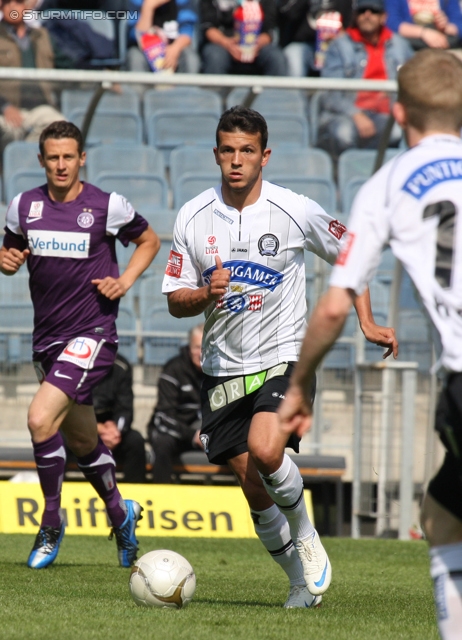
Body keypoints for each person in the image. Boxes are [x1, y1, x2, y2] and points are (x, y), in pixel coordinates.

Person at [162, 105, 398, 608]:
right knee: (254, 488)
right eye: (227, 150)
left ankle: (306, 531)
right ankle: (299, 583)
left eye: (247, 151)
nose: (236, 160)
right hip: (223, 368)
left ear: (264, 156)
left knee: (268, 451)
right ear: (216, 154)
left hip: (283, 355)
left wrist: (366, 320)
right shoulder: (192, 216)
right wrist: (205, 293)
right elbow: (174, 301)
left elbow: (350, 252)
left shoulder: (294, 209)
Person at [277, 49, 462, 638]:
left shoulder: (387, 184)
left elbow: (335, 303)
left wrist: (301, 384)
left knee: (443, 519)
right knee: (442, 514)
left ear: (398, 111)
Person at [0, 120, 160, 569]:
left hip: (93, 333)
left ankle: (51, 522)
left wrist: (124, 280)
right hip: (47, 341)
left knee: (38, 419)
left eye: (69, 156)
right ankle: (120, 513)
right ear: (41, 161)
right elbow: (9, 253)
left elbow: (148, 240)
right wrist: (6, 260)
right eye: (53, 157)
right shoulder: (24, 207)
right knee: (85, 441)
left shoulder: (106, 206)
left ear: (82, 158)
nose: (61, 164)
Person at [318, 0, 413, 159]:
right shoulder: (340, 46)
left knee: (398, 132)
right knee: (344, 134)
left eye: (373, 11)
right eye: (362, 11)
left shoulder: (400, 45)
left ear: (383, 17)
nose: (367, 15)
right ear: (355, 16)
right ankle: (350, 177)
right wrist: (356, 114)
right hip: (347, 114)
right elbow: (330, 92)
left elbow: (412, 84)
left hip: (388, 115)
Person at [0, 0, 64, 149]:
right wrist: (4, 107)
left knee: (59, 126)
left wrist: (104, 72)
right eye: (8, 2)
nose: (13, 7)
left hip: (39, 109)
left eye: (18, 2)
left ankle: (21, 160)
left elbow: (70, 64)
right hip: (5, 113)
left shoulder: (43, 36)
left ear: (27, 6)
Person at [148, 324, 205, 483]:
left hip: (208, 433)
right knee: (162, 443)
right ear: (189, 347)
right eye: (197, 347)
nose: (201, 353)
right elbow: (164, 416)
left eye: (206, 347)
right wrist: (194, 436)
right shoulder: (173, 370)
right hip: (177, 432)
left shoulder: (221, 370)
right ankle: (161, 498)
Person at [92, 352, 147, 484]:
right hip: (76, 428)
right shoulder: (71, 364)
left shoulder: (121, 367)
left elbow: (125, 408)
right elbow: (68, 411)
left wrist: (116, 430)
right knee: (58, 441)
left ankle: (134, 497)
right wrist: (96, 429)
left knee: (135, 442)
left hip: (110, 428)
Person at [200, 0, 287, 76]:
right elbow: (208, 27)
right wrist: (227, 43)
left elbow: (269, 31)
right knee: (214, 56)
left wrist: (253, 46)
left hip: (257, 45)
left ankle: (275, 95)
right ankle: (214, 94)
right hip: (223, 43)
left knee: (276, 57)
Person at [127, 0, 200, 74]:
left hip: (175, 47)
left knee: (190, 59)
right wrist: (148, 7)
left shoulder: (182, 2)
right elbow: (137, 36)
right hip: (146, 50)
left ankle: (187, 86)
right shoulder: (137, 1)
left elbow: (187, 31)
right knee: (135, 58)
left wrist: (174, 49)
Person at [385, 0, 462, 50]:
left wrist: (445, 27)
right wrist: (423, 33)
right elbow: (392, 22)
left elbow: (459, 24)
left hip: (442, 44)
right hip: (410, 45)